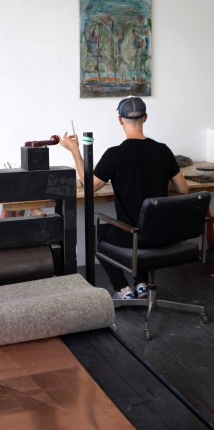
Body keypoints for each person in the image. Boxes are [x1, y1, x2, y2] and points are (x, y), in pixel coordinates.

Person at [60, 96, 189, 299]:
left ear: (120, 120)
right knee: (146, 224)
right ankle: (142, 284)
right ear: (145, 118)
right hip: (164, 234)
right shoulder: (163, 151)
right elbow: (183, 189)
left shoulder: (115, 155)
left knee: (96, 234)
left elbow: (88, 187)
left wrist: (75, 150)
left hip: (134, 236)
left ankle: (123, 289)